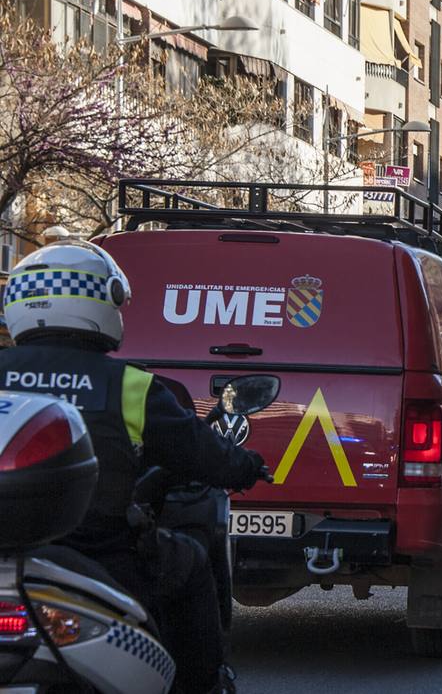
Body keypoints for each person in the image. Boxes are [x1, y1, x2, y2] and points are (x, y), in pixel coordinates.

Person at [0, 240, 269, 694]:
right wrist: (245, 466)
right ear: (98, 302)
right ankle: (203, 684)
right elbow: (198, 450)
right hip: (103, 555)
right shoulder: (129, 385)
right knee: (191, 564)